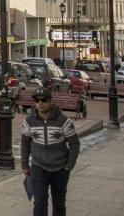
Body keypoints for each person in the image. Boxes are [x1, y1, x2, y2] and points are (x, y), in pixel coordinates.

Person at [22, 87, 80, 216]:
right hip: (38, 168)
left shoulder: (64, 121)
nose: (40, 103)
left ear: (50, 101)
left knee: (59, 204)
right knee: (40, 203)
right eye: (37, 100)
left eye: (44, 100)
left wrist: (69, 166)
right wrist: (24, 165)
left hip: (60, 169)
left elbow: (74, 144)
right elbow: (25, 143)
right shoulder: (29, 121)